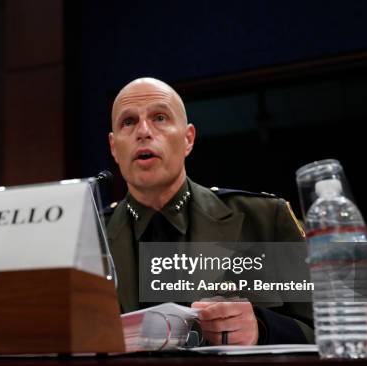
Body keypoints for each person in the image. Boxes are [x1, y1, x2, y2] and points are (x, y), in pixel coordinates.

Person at [106, 77, 313, 346]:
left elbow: (332, 331)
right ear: (114, 147)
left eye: (159, 117)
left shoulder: (263, 219)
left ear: (188, 138)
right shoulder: (87, 235)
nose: (143, 131)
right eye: (128, 121)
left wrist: (263, 329)